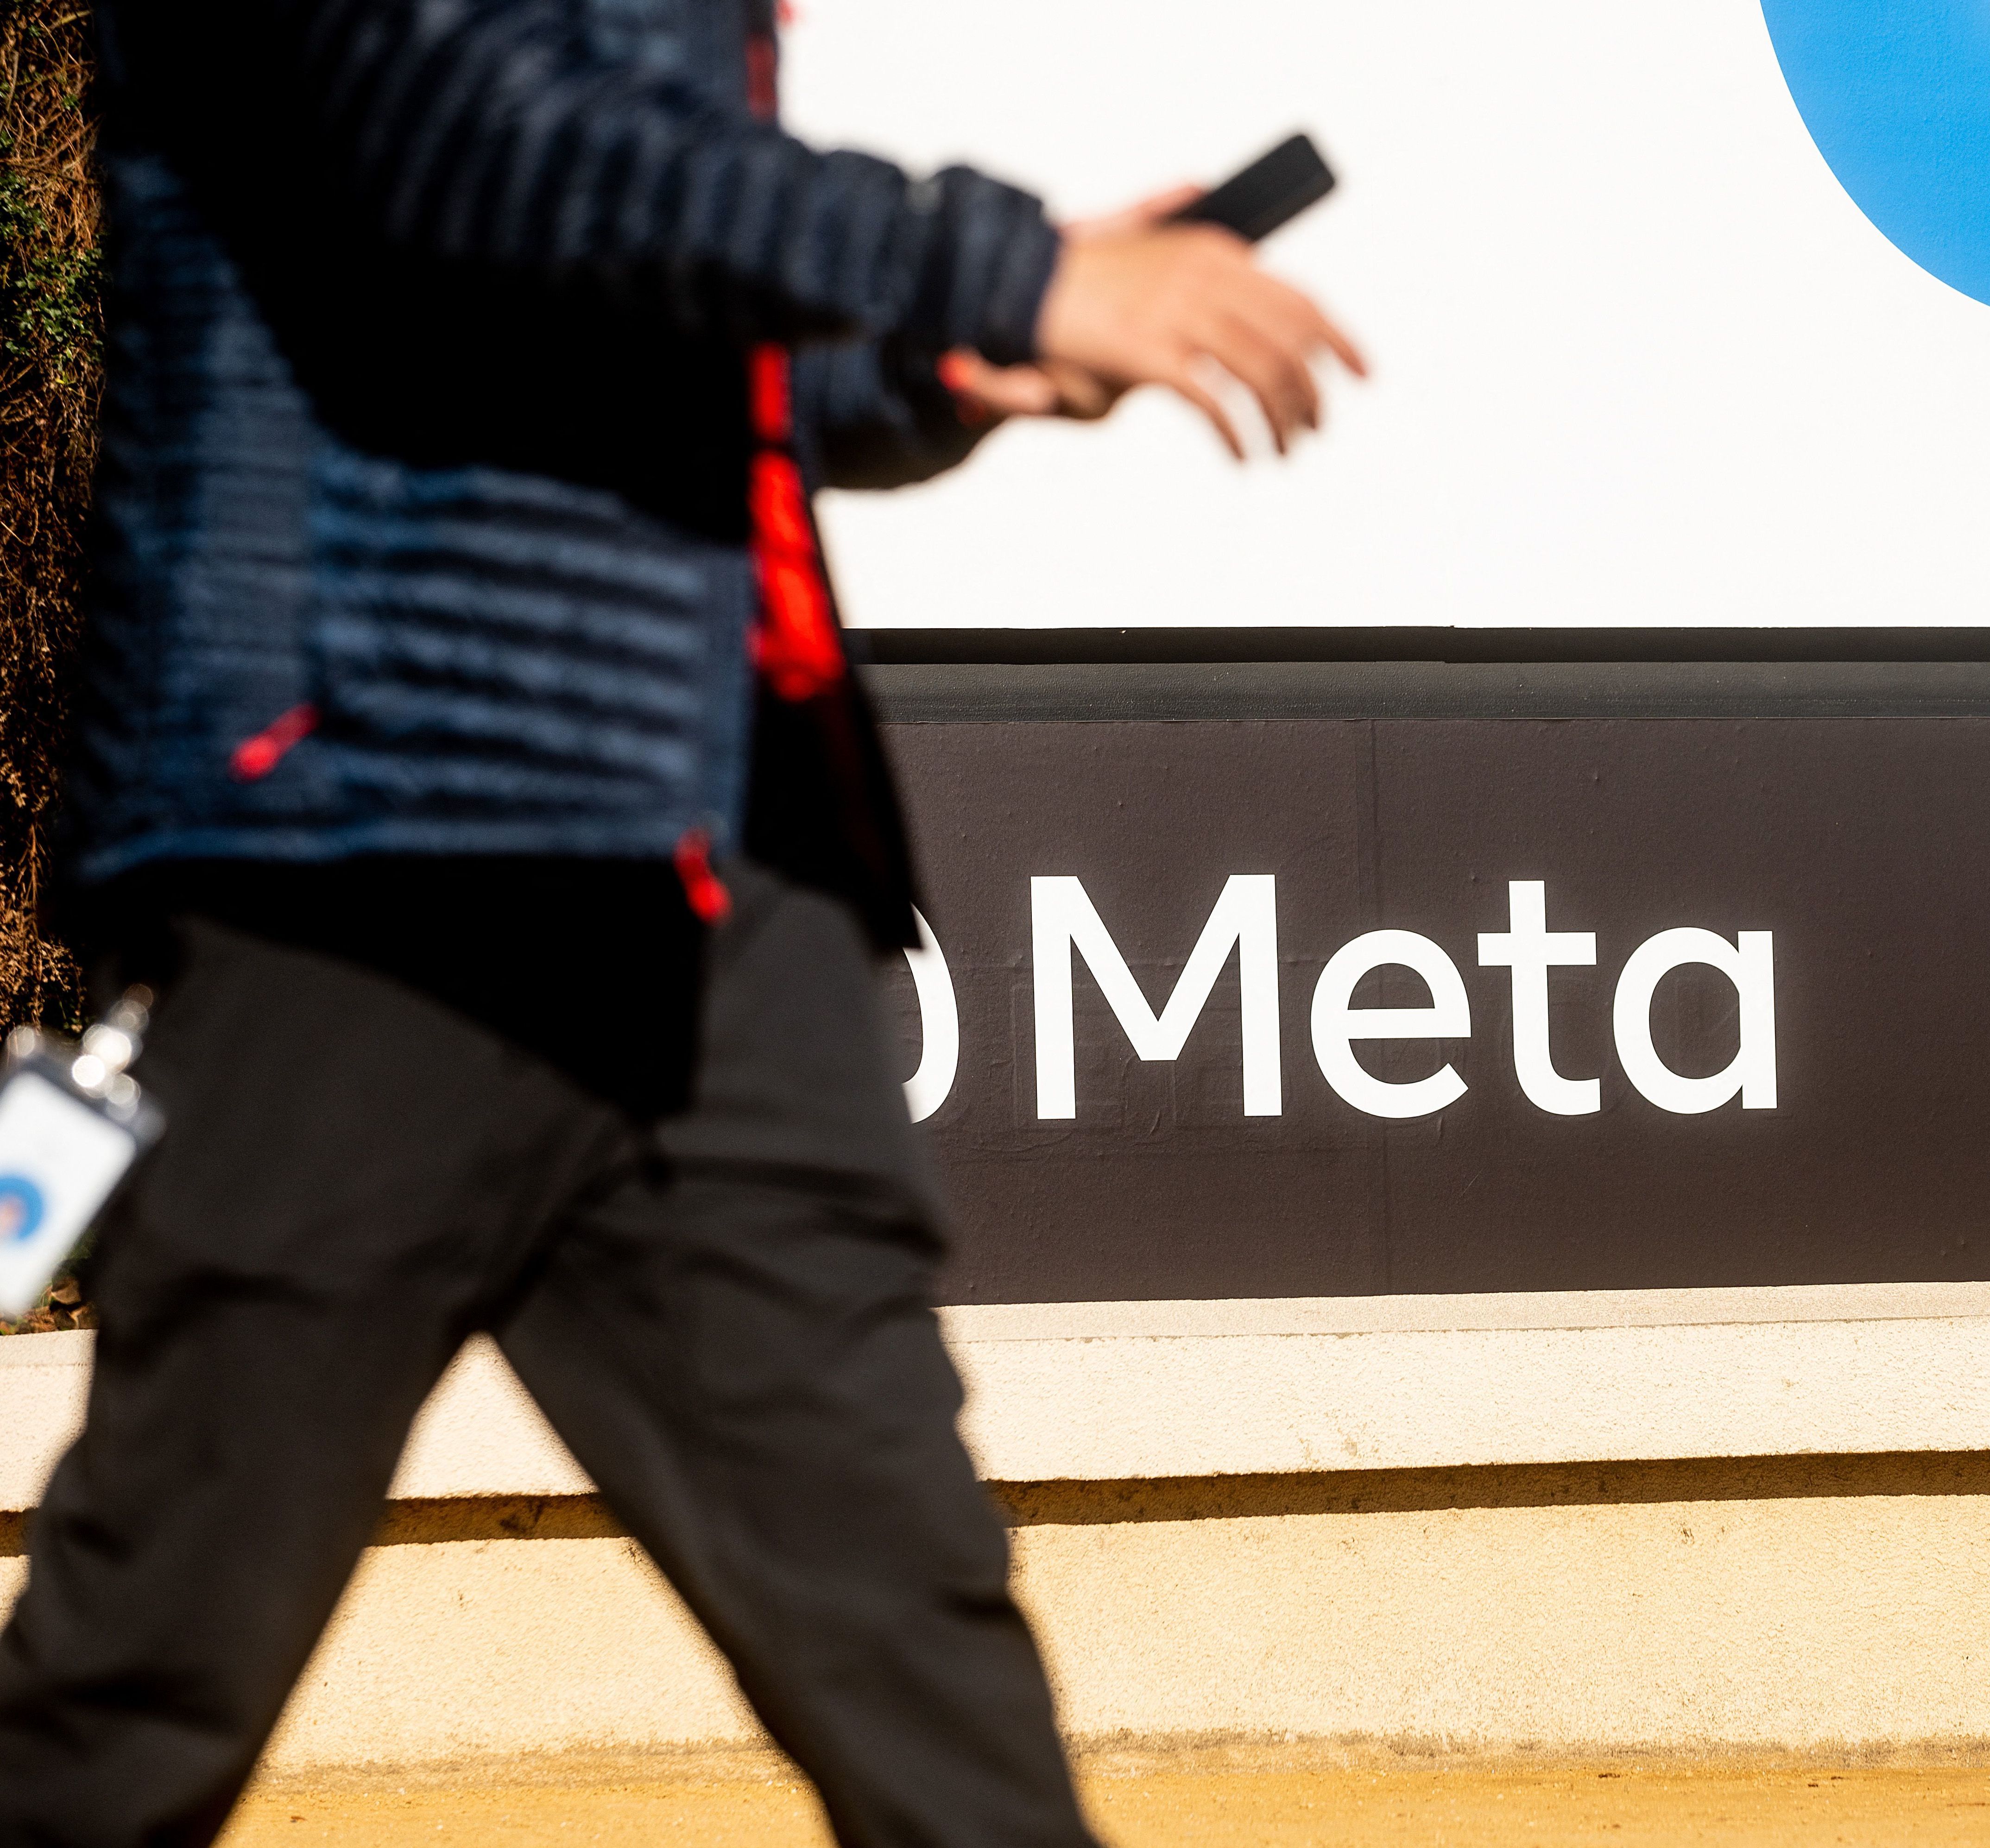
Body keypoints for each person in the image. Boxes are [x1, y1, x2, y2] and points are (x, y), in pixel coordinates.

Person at [0, 1, 1363, 1843]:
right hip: (383, 853)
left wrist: (942, 361)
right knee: (141, 1682)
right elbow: (481, 147)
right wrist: (1008, 266)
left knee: (923, 1660)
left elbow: (663, 331)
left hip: (723, 889)